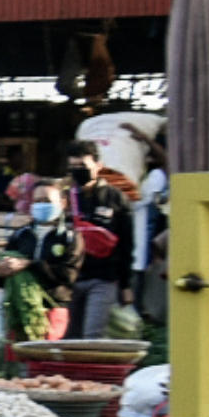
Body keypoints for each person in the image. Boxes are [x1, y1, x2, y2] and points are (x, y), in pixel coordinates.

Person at [66, 145, 133, 343]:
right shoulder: (64, 198)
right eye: (74, 166)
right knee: (68, 338)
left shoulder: (115, 198)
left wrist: (126, 285)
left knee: (92, 337)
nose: (79, 171)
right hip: (70, 280)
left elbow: (127, 244)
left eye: (83, 165)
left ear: (98, 165)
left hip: (103, 278)